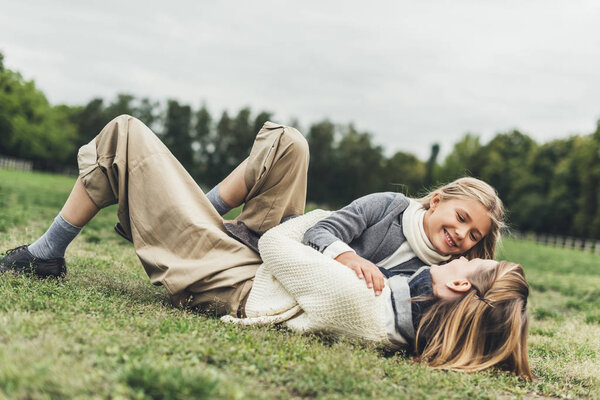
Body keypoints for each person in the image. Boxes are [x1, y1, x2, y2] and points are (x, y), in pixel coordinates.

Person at [0, 115, 530, 378]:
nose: (462, 236)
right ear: (436, 201)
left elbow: (478, 309)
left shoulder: (433, 288)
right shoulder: (392, 206)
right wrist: (347, 255)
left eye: (475, 238)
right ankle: (195, 215)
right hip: (281, 256)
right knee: (288, 141)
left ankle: (49, 252)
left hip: (267, 269)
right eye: (461, 219)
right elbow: (326, 232)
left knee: (124, 132)